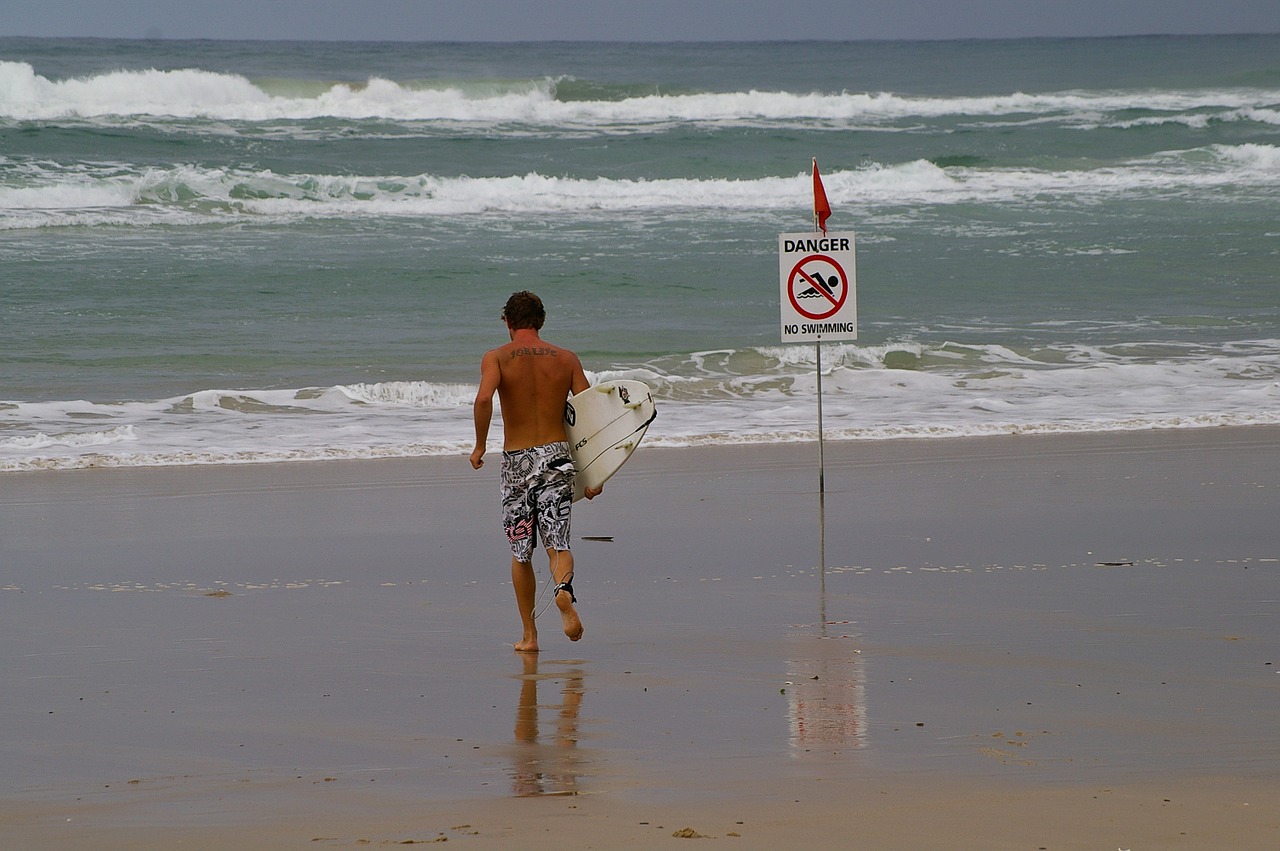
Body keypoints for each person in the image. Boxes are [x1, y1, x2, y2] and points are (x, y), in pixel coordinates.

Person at [470, 291, 601, 652]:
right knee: (558, 543)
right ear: (540, 322)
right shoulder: (566, 359)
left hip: (517, 462)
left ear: (507, 322)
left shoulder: (496, 357)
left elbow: (483, 399)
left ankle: (529, 636)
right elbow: (590, 418)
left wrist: (479, 445)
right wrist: (594, 475)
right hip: (558, 456)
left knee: (521, 552)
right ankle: (563, 591)